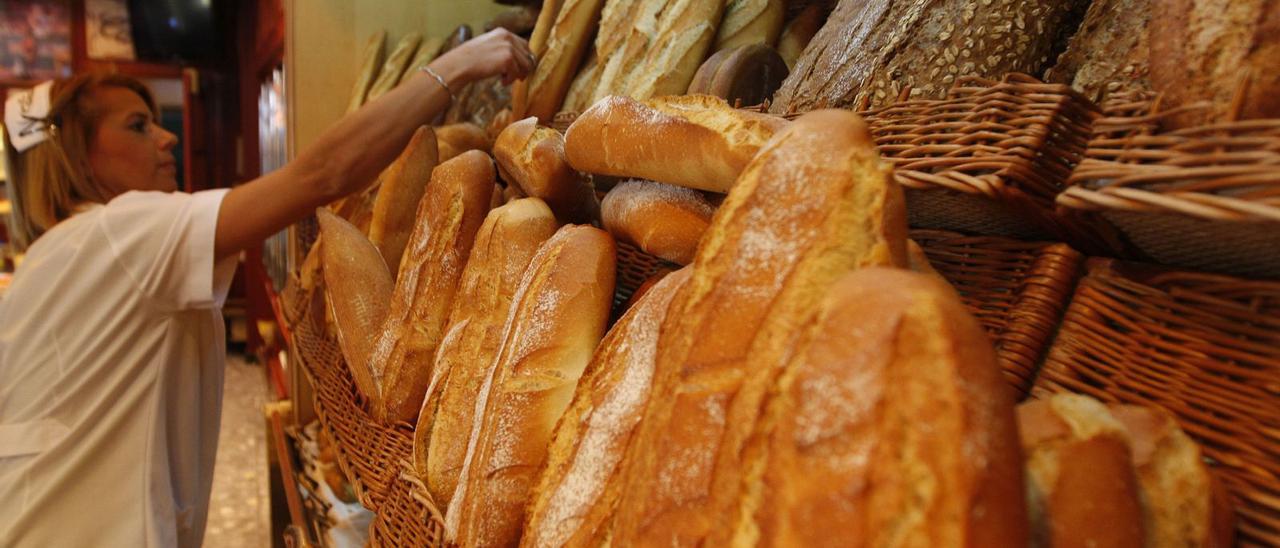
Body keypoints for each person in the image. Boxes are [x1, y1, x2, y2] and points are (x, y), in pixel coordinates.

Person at [0, 28, 535, 547]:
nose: (166, 136)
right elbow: (321, 175)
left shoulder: (56, 252)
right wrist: (457, 66)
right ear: (76, 153)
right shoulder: (120, 233)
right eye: (138, 126)